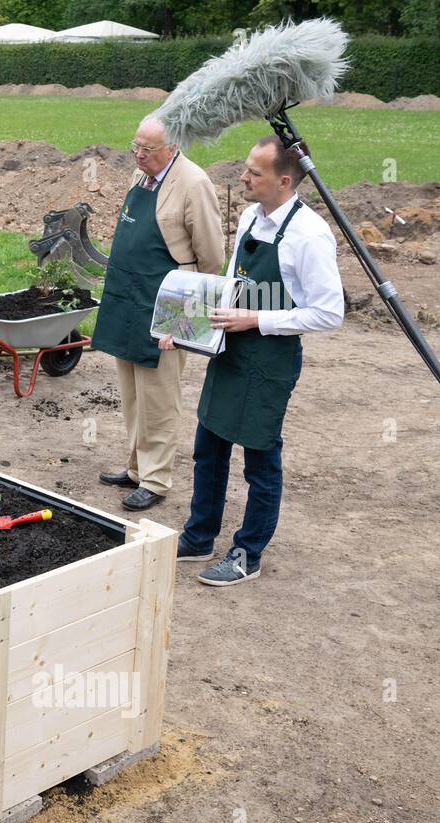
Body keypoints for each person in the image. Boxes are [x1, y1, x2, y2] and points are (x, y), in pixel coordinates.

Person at [161, 134, 343, 586]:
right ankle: (199, 535)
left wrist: (256, 319)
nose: (242, 177)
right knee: (209, 447)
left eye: (254, 173)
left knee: (260, 461)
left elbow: (329, 312)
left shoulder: (310, 235)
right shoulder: (247, 216)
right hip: (231, 350)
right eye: (246, 168)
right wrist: (187, 328)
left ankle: (248, 552)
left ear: (284, 181)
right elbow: (229, 287)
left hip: (271, 359)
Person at [91, 115, 224, 511]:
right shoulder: (140, 176)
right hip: (128, 298)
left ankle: (156, 479)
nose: (138, 155)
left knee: (160, 397)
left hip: (168, 303)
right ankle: (135, 467)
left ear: (172, 146)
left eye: (146, 150)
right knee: (132, 392)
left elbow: (212, 258)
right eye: (135, 147)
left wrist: (183, 317)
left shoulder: (194, 183)